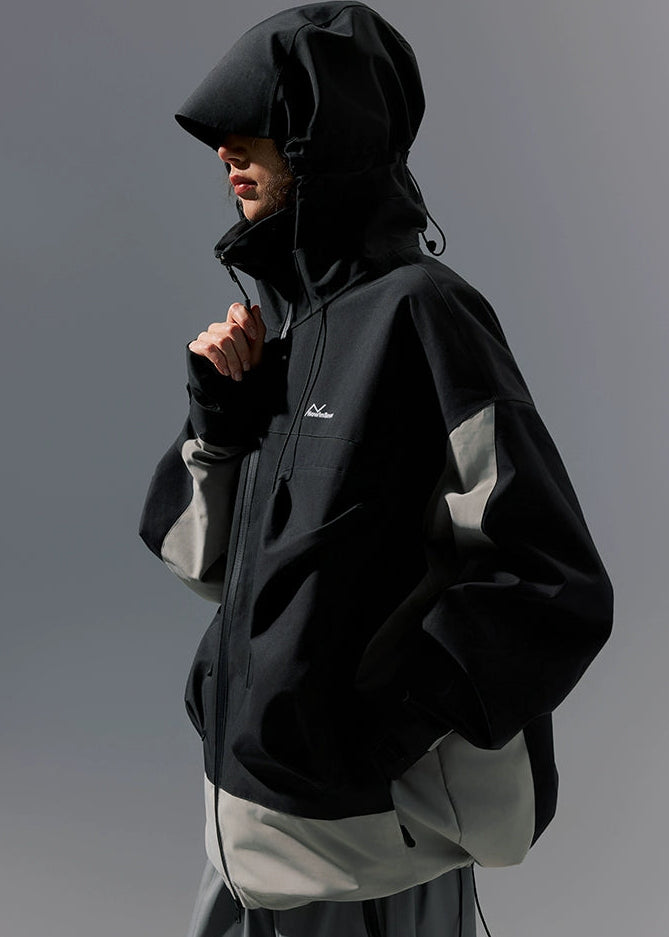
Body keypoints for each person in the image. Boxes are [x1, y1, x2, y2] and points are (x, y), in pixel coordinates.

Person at [139, 3, 614, 935]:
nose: (226, 151)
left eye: (257, 123)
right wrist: (221, 426)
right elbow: (210, 568)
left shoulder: (422, 314)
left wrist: (381, 730)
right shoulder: (287, 333)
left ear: (325, 134)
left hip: (368, 861)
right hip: (244, 839)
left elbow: (550, 580)